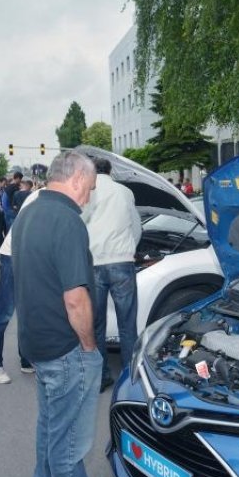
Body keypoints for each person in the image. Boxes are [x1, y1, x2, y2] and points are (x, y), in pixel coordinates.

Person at [13, 150, 119, 477]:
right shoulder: (68, 221)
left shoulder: (29, 212)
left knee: (50, 422)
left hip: (37, 343)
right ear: (76, 180)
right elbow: (75, 297)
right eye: (90, 189)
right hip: (65, 346)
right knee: (70, 437)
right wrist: (90, 348)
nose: (89, 198)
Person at [80, 157, 141, 393]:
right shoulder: (125, 192)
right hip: (122, 263)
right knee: (128, 323)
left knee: (96, 324)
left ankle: (102, 376)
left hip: (94, 263)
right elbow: (135, 226)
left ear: (93, 171)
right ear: (111, 170)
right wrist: (130, 249)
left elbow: (81, 225)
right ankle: (128, 377)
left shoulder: (89, 193)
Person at [0, 189, 41, 384]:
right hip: (14, 255)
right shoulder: (43, 197)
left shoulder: (55, 197)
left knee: (29, 311)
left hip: (32, 257)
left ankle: (26, 358)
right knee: (4, 311)